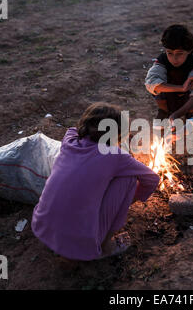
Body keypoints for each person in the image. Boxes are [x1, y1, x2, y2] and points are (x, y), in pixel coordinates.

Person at [31, 102, 160, 261]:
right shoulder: (116, 156)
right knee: (129, 178)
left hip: (42, 227)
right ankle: (105, 246)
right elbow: (152, 179)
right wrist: (130, 201)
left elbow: (74, 128)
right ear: (117, 134)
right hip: (80, 243)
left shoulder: (69, 140)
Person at [145, 24, 193, 121]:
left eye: (179, 54)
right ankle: (164, 111)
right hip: (169, 99)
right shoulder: (162, 62)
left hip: (187, 101)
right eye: (169, 53)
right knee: (159, 86)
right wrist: (181, 88)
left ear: (189, 51)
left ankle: (190, 114)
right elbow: (151, 83)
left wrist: (177, 114)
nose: (174, 59)